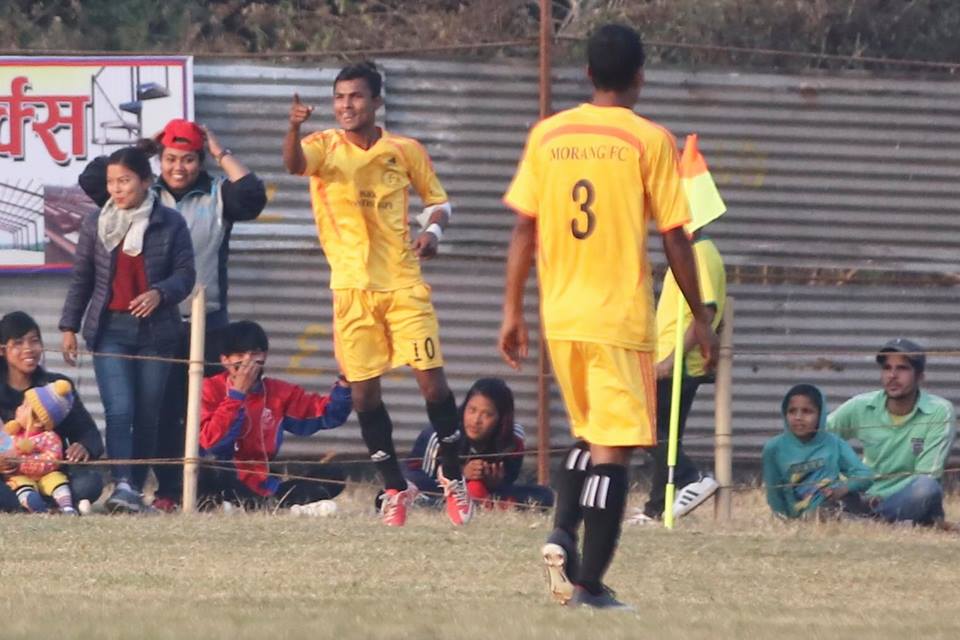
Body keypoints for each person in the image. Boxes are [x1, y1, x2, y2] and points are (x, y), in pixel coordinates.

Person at [499, 24, 717, 609]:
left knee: (591, 435)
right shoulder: (650, 140)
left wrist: (512, 311)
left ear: (588, 74)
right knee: (614, 451)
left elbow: (523, 228)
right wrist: (701, 316)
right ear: (641, 76)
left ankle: (560, 533)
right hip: (618, 317)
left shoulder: (548, 134)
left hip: (561, 315)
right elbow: (675, 237)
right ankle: (589, 584)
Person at [282, 61, 472, 527]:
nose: (346, 105)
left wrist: (433, 232)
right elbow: (293, 165)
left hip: (403, 283)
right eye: (339, 97)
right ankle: (393, 487)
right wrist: (293, 128)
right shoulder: (322, 146)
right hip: (351, 289)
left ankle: (452, 476)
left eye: (356, 96)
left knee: (432, 383)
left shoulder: (404, 150)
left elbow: (439, 202)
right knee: (364, 396)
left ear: (376, 102)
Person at [78, 120, 267, 511]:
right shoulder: (141, 192)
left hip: (205, 322)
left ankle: (211, 490)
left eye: (189, 159)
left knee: (205, 410)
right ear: (157, 163)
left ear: (201, 161)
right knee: (159, 411)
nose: (179, 168)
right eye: (170, 158)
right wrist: (142, 151)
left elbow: (252, 194)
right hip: (152, 324)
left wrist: (219, 151)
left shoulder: (218, 195)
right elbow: (92, 177)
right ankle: (164, 491)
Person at [60, 146, 196, 513]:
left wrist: (159, 293)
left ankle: (132, 488)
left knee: (148, 413)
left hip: (157, 332)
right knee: (120, 410)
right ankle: (121, 482)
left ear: (146, 181)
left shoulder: (170, 222)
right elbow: (82, 278)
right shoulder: (96, 222)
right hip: (110, 329)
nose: (117, 189)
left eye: (125, 181)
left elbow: (186, 275)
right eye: (111, 182)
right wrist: (69, 325)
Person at [627, 226, 725, 524]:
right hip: (672, 358)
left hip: (678, 362)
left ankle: (691, 477)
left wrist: (672, 359)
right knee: (666, 437)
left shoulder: (700, 254)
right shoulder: (691, 252)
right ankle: (656, 508)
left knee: (639, 424)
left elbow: (705, 313)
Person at [198, 320, 352, 508]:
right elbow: (212, 444)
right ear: (225, 360)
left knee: (333, 475)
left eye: (255, 354)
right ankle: (269, 505)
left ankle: (269, 504)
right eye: (240, 355)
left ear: (264, 356)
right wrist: (237, 395)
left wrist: (344, 382)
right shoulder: (209, 388)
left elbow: (328, 415)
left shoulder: (278, 392)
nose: (248, 362)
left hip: (263, 482)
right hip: (222, 475)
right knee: (208, 471)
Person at [827, 338, 957, 527]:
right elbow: (819, 436)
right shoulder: (861, 406)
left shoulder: (939, 411)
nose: (892, 375)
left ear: (920, 377)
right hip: (864, 497)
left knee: (927, 488)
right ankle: (887, 522)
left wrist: (880, 500)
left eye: (902, 368)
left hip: (907, 500)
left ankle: (870, 521)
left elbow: (928, 475)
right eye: (887, 368)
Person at [0, 311, 105, 513]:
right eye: (18, 343)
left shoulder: (56, 387)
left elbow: (89, 432)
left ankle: (37, 503)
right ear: (2, 350)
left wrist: (83, 446)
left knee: (90, 483)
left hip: (53, 476)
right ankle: (43, 503)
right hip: (10, 479)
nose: (28, 349)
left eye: (34, 341)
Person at [403, 377, 553, 509]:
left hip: (487, 491)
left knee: (544, 495)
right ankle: (472, 503)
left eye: (487, 414)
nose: (476, 420)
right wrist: (460, 475)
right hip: (435, 489)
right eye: (472, 410)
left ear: (501, 418)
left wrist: (496, 482)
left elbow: (510, 479)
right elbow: (415, 477)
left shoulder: (513, 437)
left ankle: (480, 502)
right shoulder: (441, 433)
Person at [762, 384, 873, 520]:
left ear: (820, 415)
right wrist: (784, 520)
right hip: (808, 515)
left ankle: (869, 510)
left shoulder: (833, 443)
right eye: (792, 411)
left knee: (852, 503)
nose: (798, 417)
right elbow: (774, 493)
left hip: (836, 501)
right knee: (825, 514)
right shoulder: (774, 448)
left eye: (807, 411)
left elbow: (865, 475)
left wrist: (843, 489)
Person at [2, 379, 78, 514]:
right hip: (21, 476)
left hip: (45, 475)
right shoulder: (14, 435)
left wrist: (22, 463)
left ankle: (66, 506)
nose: (19, 408)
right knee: (19, 485)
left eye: (24, 406)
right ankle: (32, 504)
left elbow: (52, 459)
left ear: (38, 421)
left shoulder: (49, 438)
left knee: (58, 481)